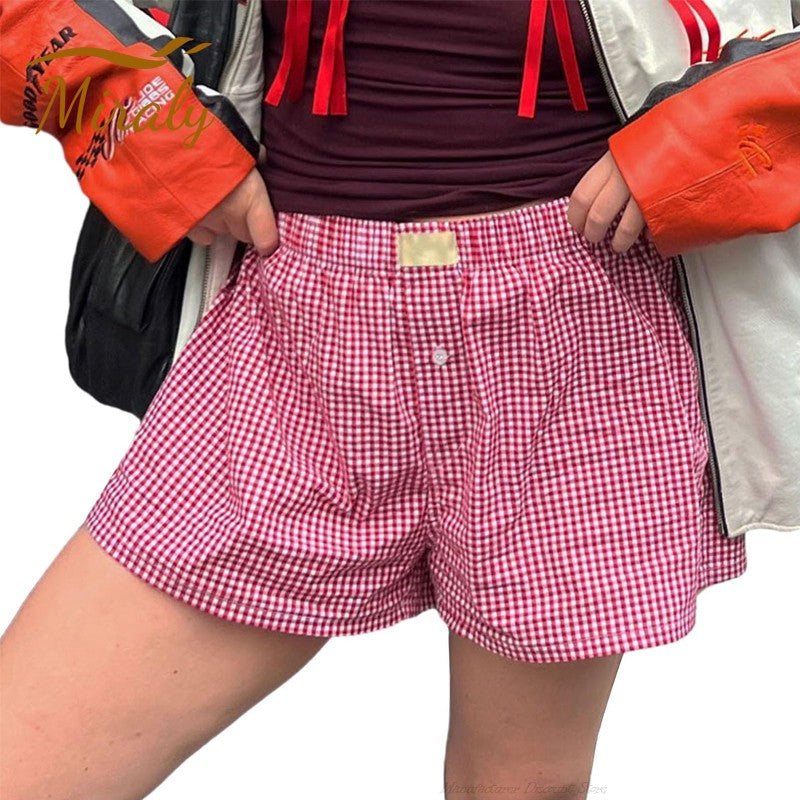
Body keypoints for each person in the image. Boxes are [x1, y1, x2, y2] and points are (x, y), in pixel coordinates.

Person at [1, 2, 798, 799]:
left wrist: (722, 130)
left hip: (580, 327)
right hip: (294, 326)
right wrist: (142, 122)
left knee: (523, 787)